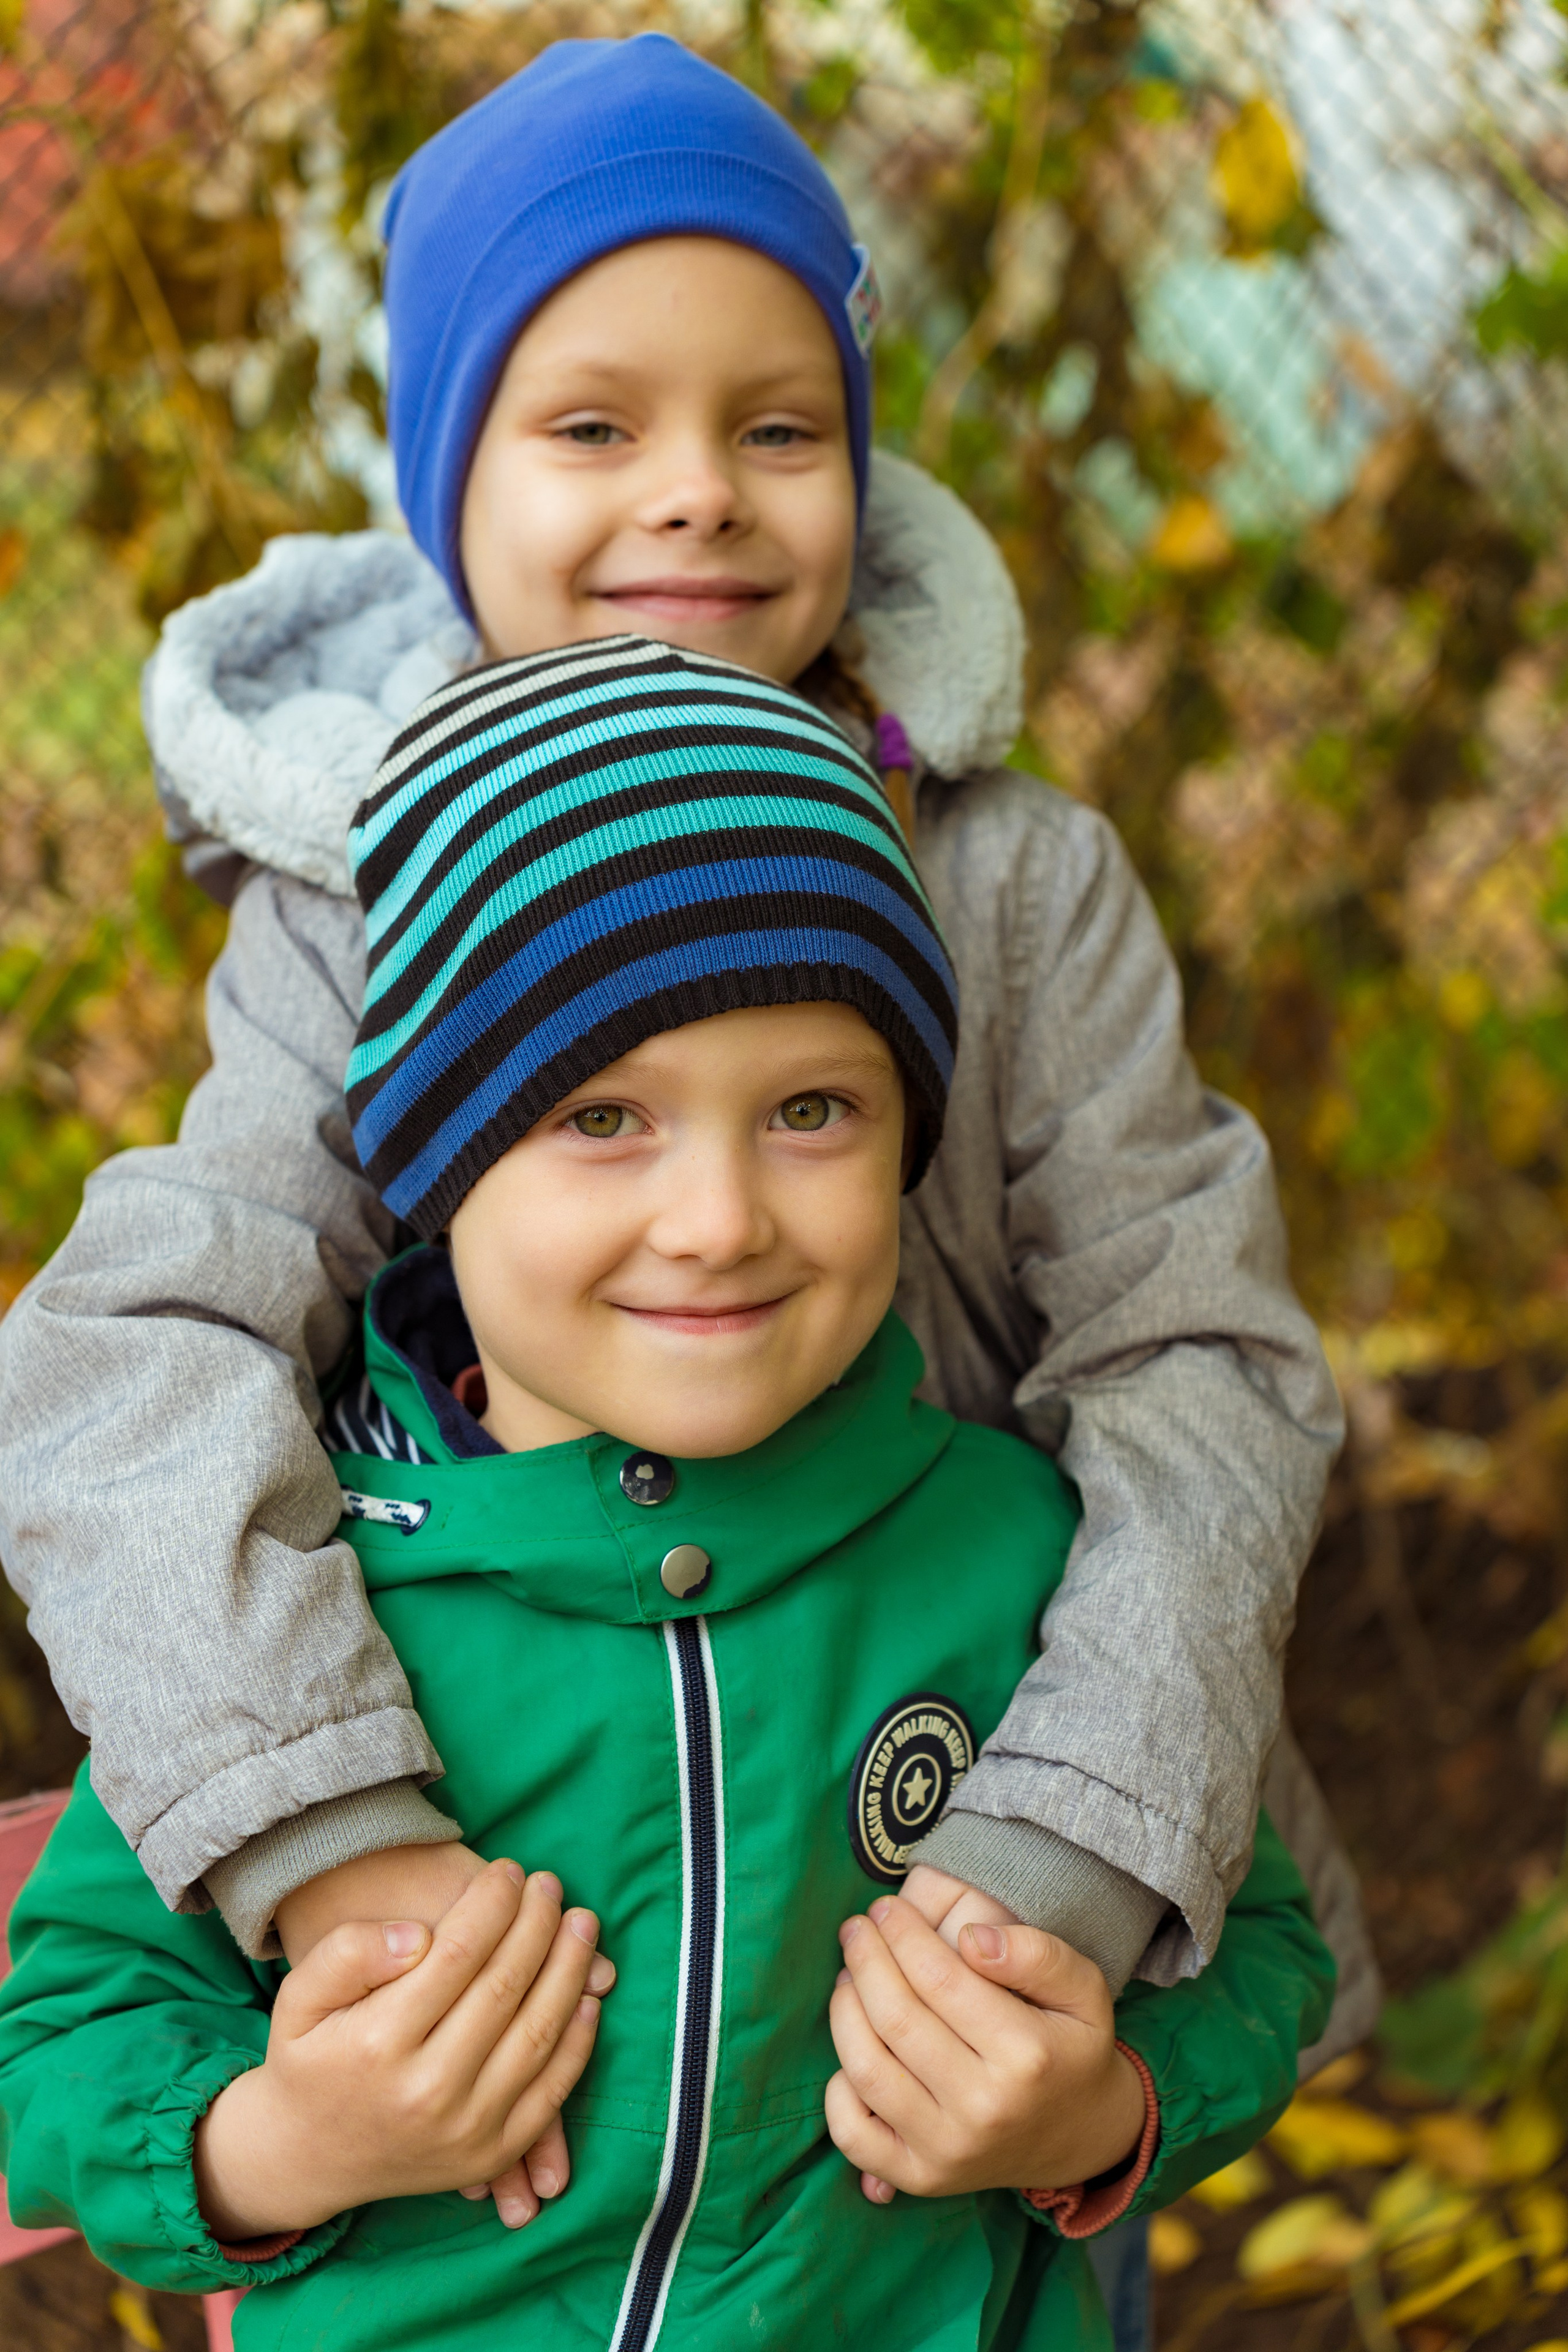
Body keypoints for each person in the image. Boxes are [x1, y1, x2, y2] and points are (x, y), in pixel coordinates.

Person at [0, 24, 1370, 2234]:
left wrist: (1055, 1890)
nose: (699, 491)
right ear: (450, 480)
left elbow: (1197, 1371)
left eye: (779, 426)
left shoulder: (1017, 885)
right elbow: (137, 1352)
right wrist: (338, 1847)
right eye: (589, 426)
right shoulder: (361, 907)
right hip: (536, 1891)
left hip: (965, 1849)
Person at [0, 646, 1335, 2351]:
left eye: (811, 1112)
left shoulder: (1015, 1559)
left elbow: (1260, 1953)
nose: (717, 1217)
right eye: (603, 1116)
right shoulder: (299, 1611)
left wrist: (1101, 2111)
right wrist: (277, 2144)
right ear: (435, 1165)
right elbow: (66, 2040)